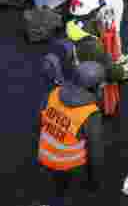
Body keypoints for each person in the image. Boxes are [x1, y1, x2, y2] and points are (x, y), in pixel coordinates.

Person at [37, 61, 106, 205]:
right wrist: (94, 180)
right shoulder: (90, 114)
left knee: (56, 189)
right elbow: (95, 150)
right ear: (95, 87)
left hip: (45, 154)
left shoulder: (54, 94)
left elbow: (41, 121)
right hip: (69, 164)